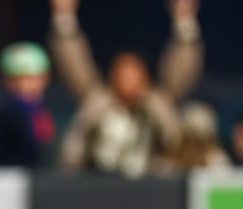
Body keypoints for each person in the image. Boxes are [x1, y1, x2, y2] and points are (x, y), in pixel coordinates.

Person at [50, 0, 202, 178]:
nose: (128, 81)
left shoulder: (157, 105)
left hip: (152, 188)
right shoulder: (97, 102)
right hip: (94, 185)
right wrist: (64, 17)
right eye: (122, 74)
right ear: (112, 77)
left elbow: (181, 72)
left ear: (145, 78)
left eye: (134, 74)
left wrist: (184, 21)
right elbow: (74, 67)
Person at [0, 42, 57, 168]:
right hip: (11, 179)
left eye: (30, 78)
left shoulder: (39, 111)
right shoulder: (9, 111)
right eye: (16, 79)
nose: (23, 85)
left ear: (45, 78)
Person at [171, 101, 230, 170]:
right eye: (190, 136)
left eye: (199, 139)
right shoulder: (170, 161)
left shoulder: (217, 160)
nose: (194, 143)